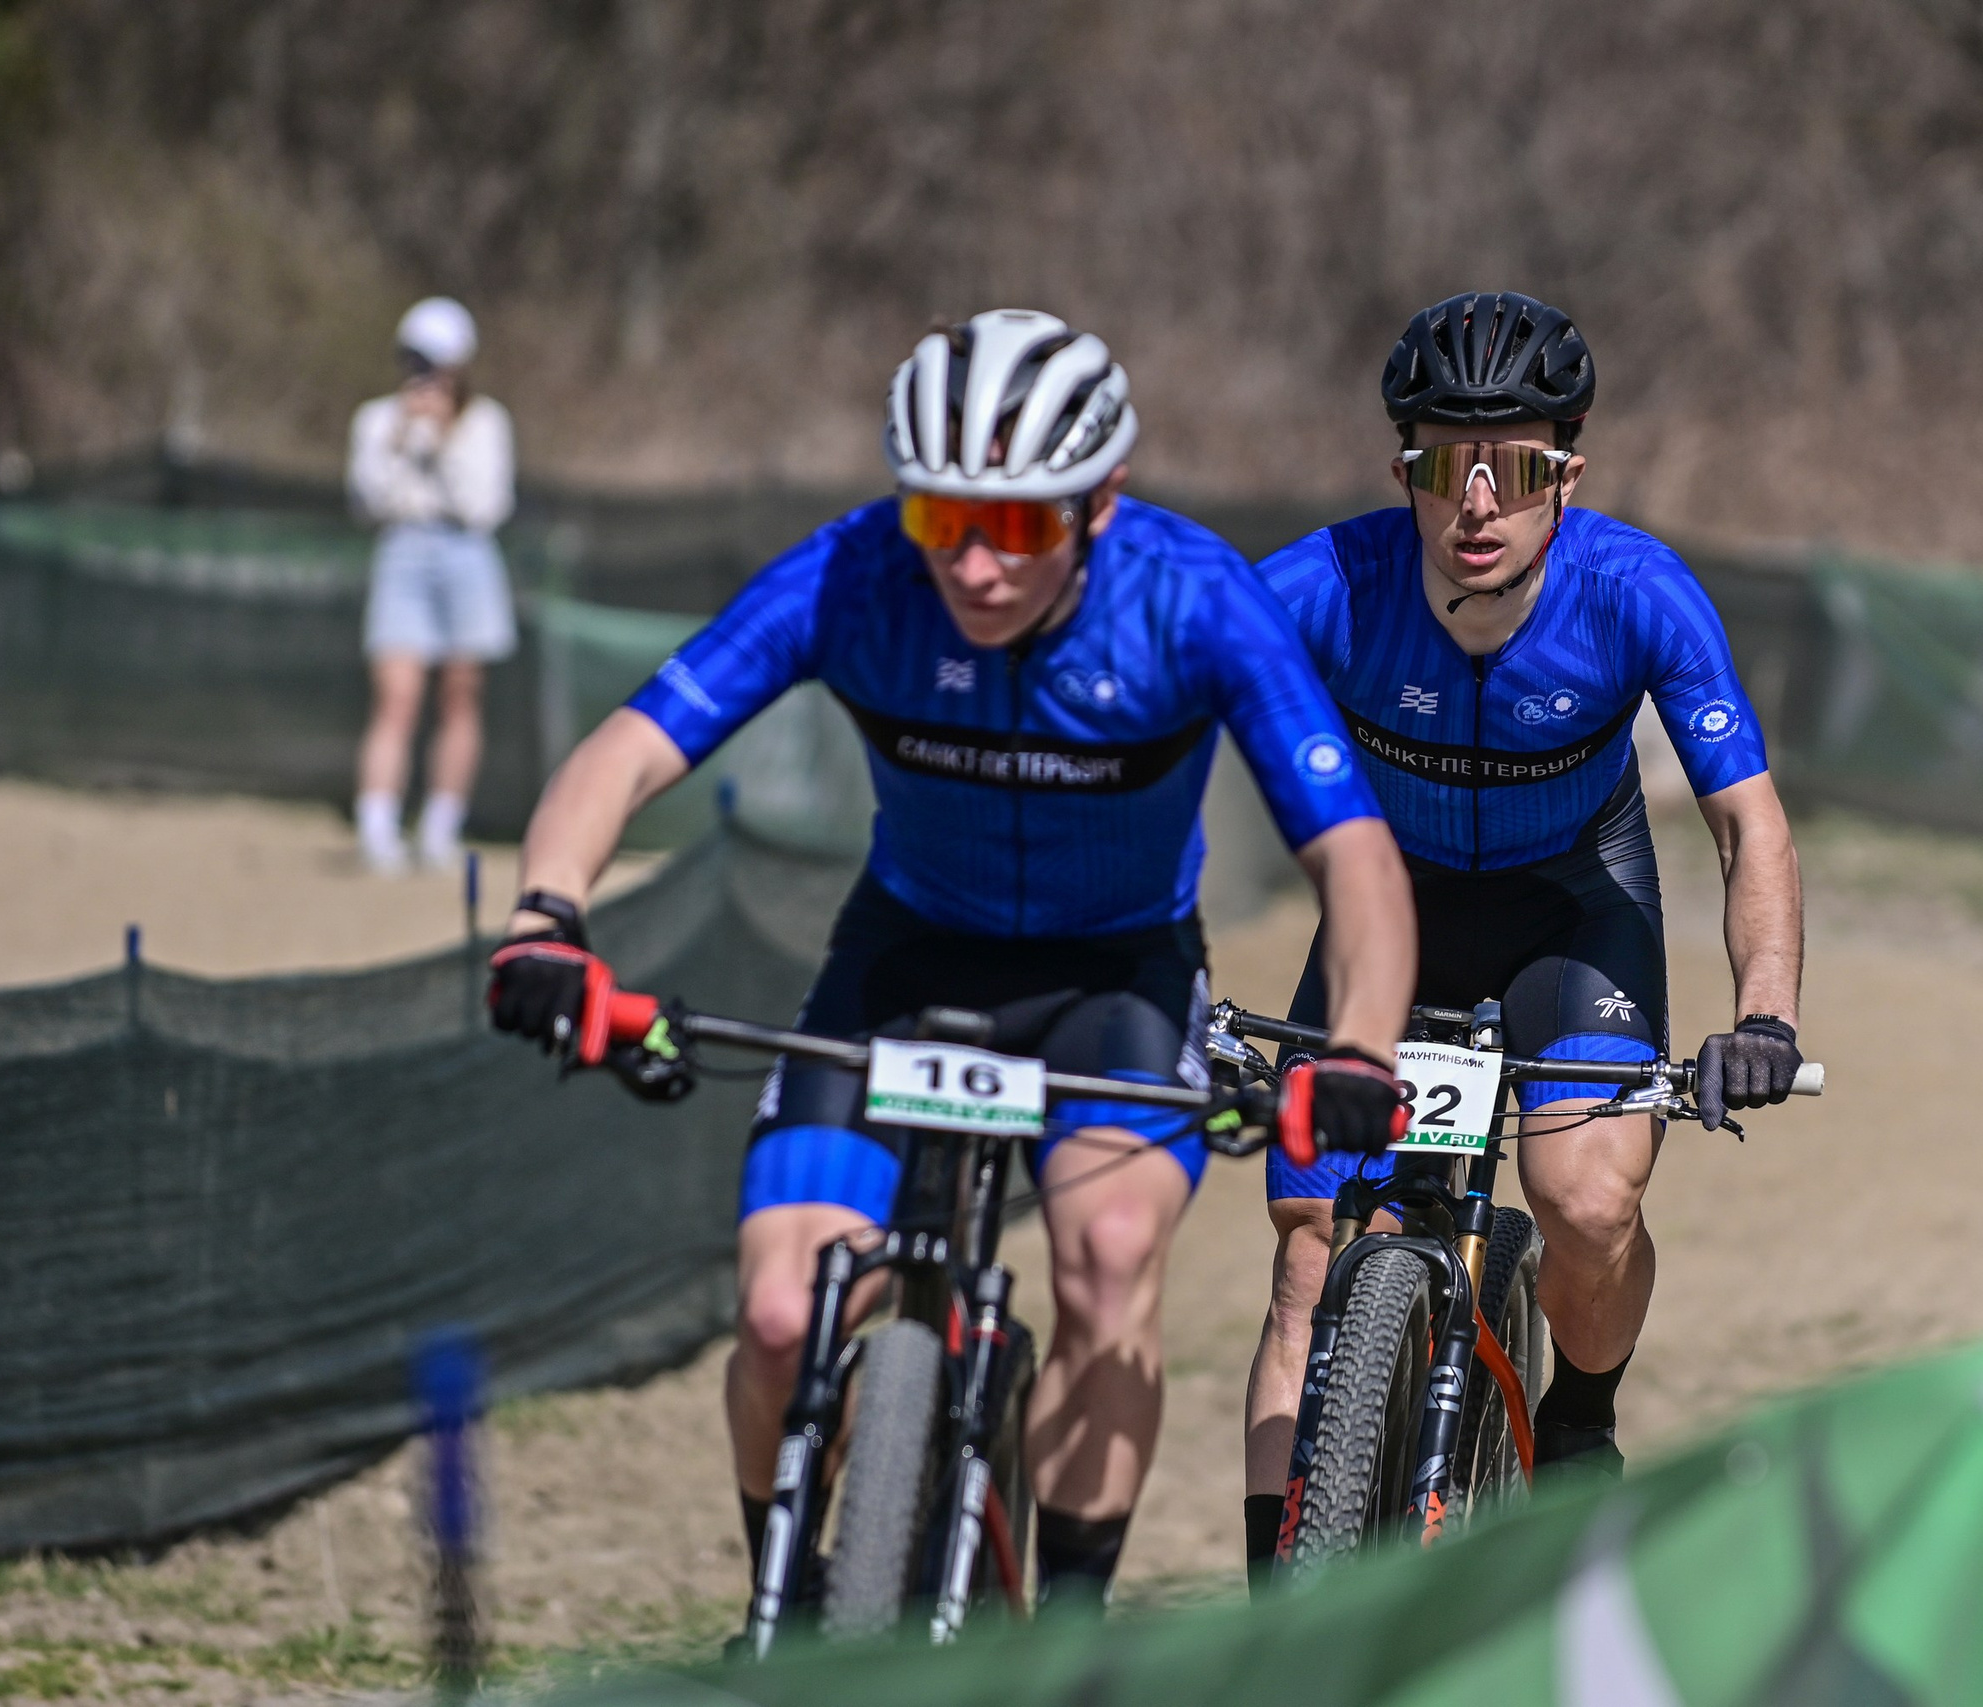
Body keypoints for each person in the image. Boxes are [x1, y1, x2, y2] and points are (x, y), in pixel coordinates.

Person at [485, 310, 1417, 1610]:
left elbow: (1358, 858)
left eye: (1021, 525)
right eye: (943, 520)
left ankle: (1070, 1626)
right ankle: (790, 1592)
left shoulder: (1193, 599)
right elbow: (633, 747)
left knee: (1105, 1254)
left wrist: (1360, 1045)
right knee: (774, 1313)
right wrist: (546, 917)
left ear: (1103, 499)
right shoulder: (854, 576)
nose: (976, 567)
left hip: (1116, 978)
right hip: (908, 957)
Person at [1240, 292, 1807, 1572]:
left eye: (1519, 468)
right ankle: (1275, 1622)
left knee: (1585, 1201)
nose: (1480, 502)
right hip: (1392, 913)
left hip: (1573, 904)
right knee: (1308, 1252)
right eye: (1447, 466)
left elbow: (1748, 827)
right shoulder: (1327, 586)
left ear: (1569, 473)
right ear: (1404, 474)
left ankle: (1580, 1420)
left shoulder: (1636, 593)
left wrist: (1763, 1012)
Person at [348, 296, 517, 874]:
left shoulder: (486, 423)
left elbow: (486, 507)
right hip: (402, 550)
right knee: (395, 695)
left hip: (467, 555)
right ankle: (377, 826)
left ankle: (441, 827)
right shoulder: (375, 420)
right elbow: (367, 501)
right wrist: (399, 444)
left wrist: (443, 443)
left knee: (460, 693)